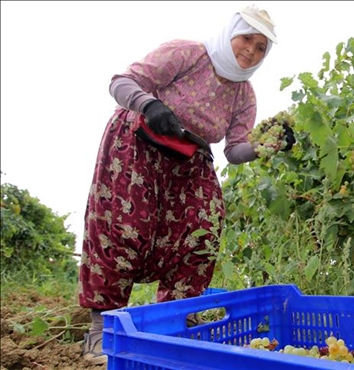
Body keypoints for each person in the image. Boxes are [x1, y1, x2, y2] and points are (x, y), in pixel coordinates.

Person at [77, 5, 294, 366]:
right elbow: (121, 81)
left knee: (202, 230)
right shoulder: (188, 54)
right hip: (138, 143)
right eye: (247, 39)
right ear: (230, 33)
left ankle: (173, 323)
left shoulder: (245, 94)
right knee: (123, 230)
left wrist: (266, 144)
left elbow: (235, 150)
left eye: (261, 48)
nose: (250, 52)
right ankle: (103, 331)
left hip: (189, 158)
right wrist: (150, 105)